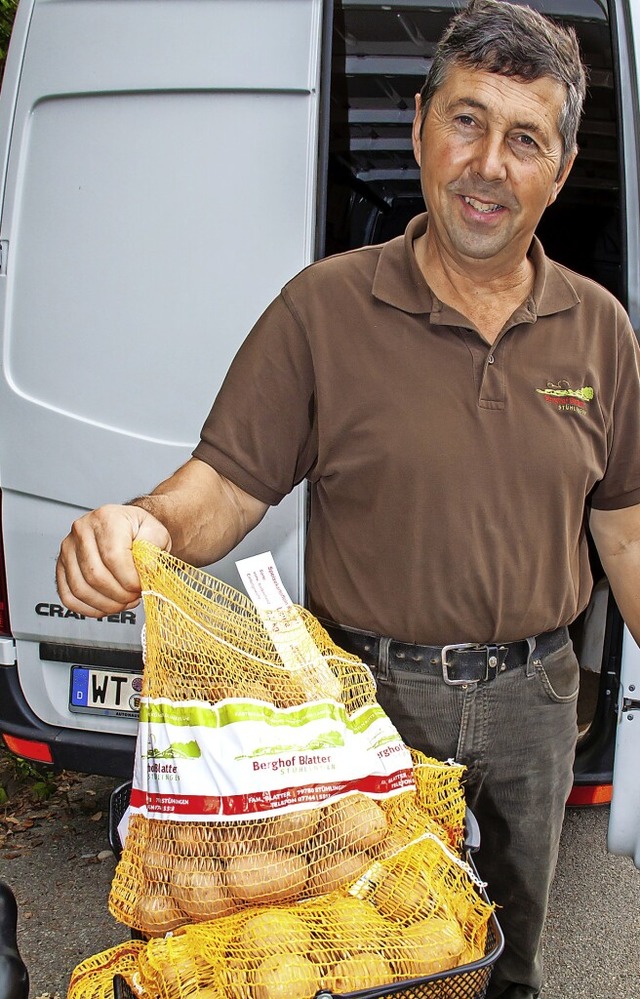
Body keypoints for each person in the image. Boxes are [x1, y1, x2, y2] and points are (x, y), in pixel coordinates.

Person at [56, 1, 640, 996]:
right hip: (369, 709)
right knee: (372, 962)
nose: (488, 163)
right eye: (466, 121)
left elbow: (625, 531)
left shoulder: (599, 331)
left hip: (534, 703)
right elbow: (224, 486)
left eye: (524, 137)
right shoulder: (323, 309)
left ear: (561, 165)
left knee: (510, 957)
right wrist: (140, 525)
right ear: (420, 126)